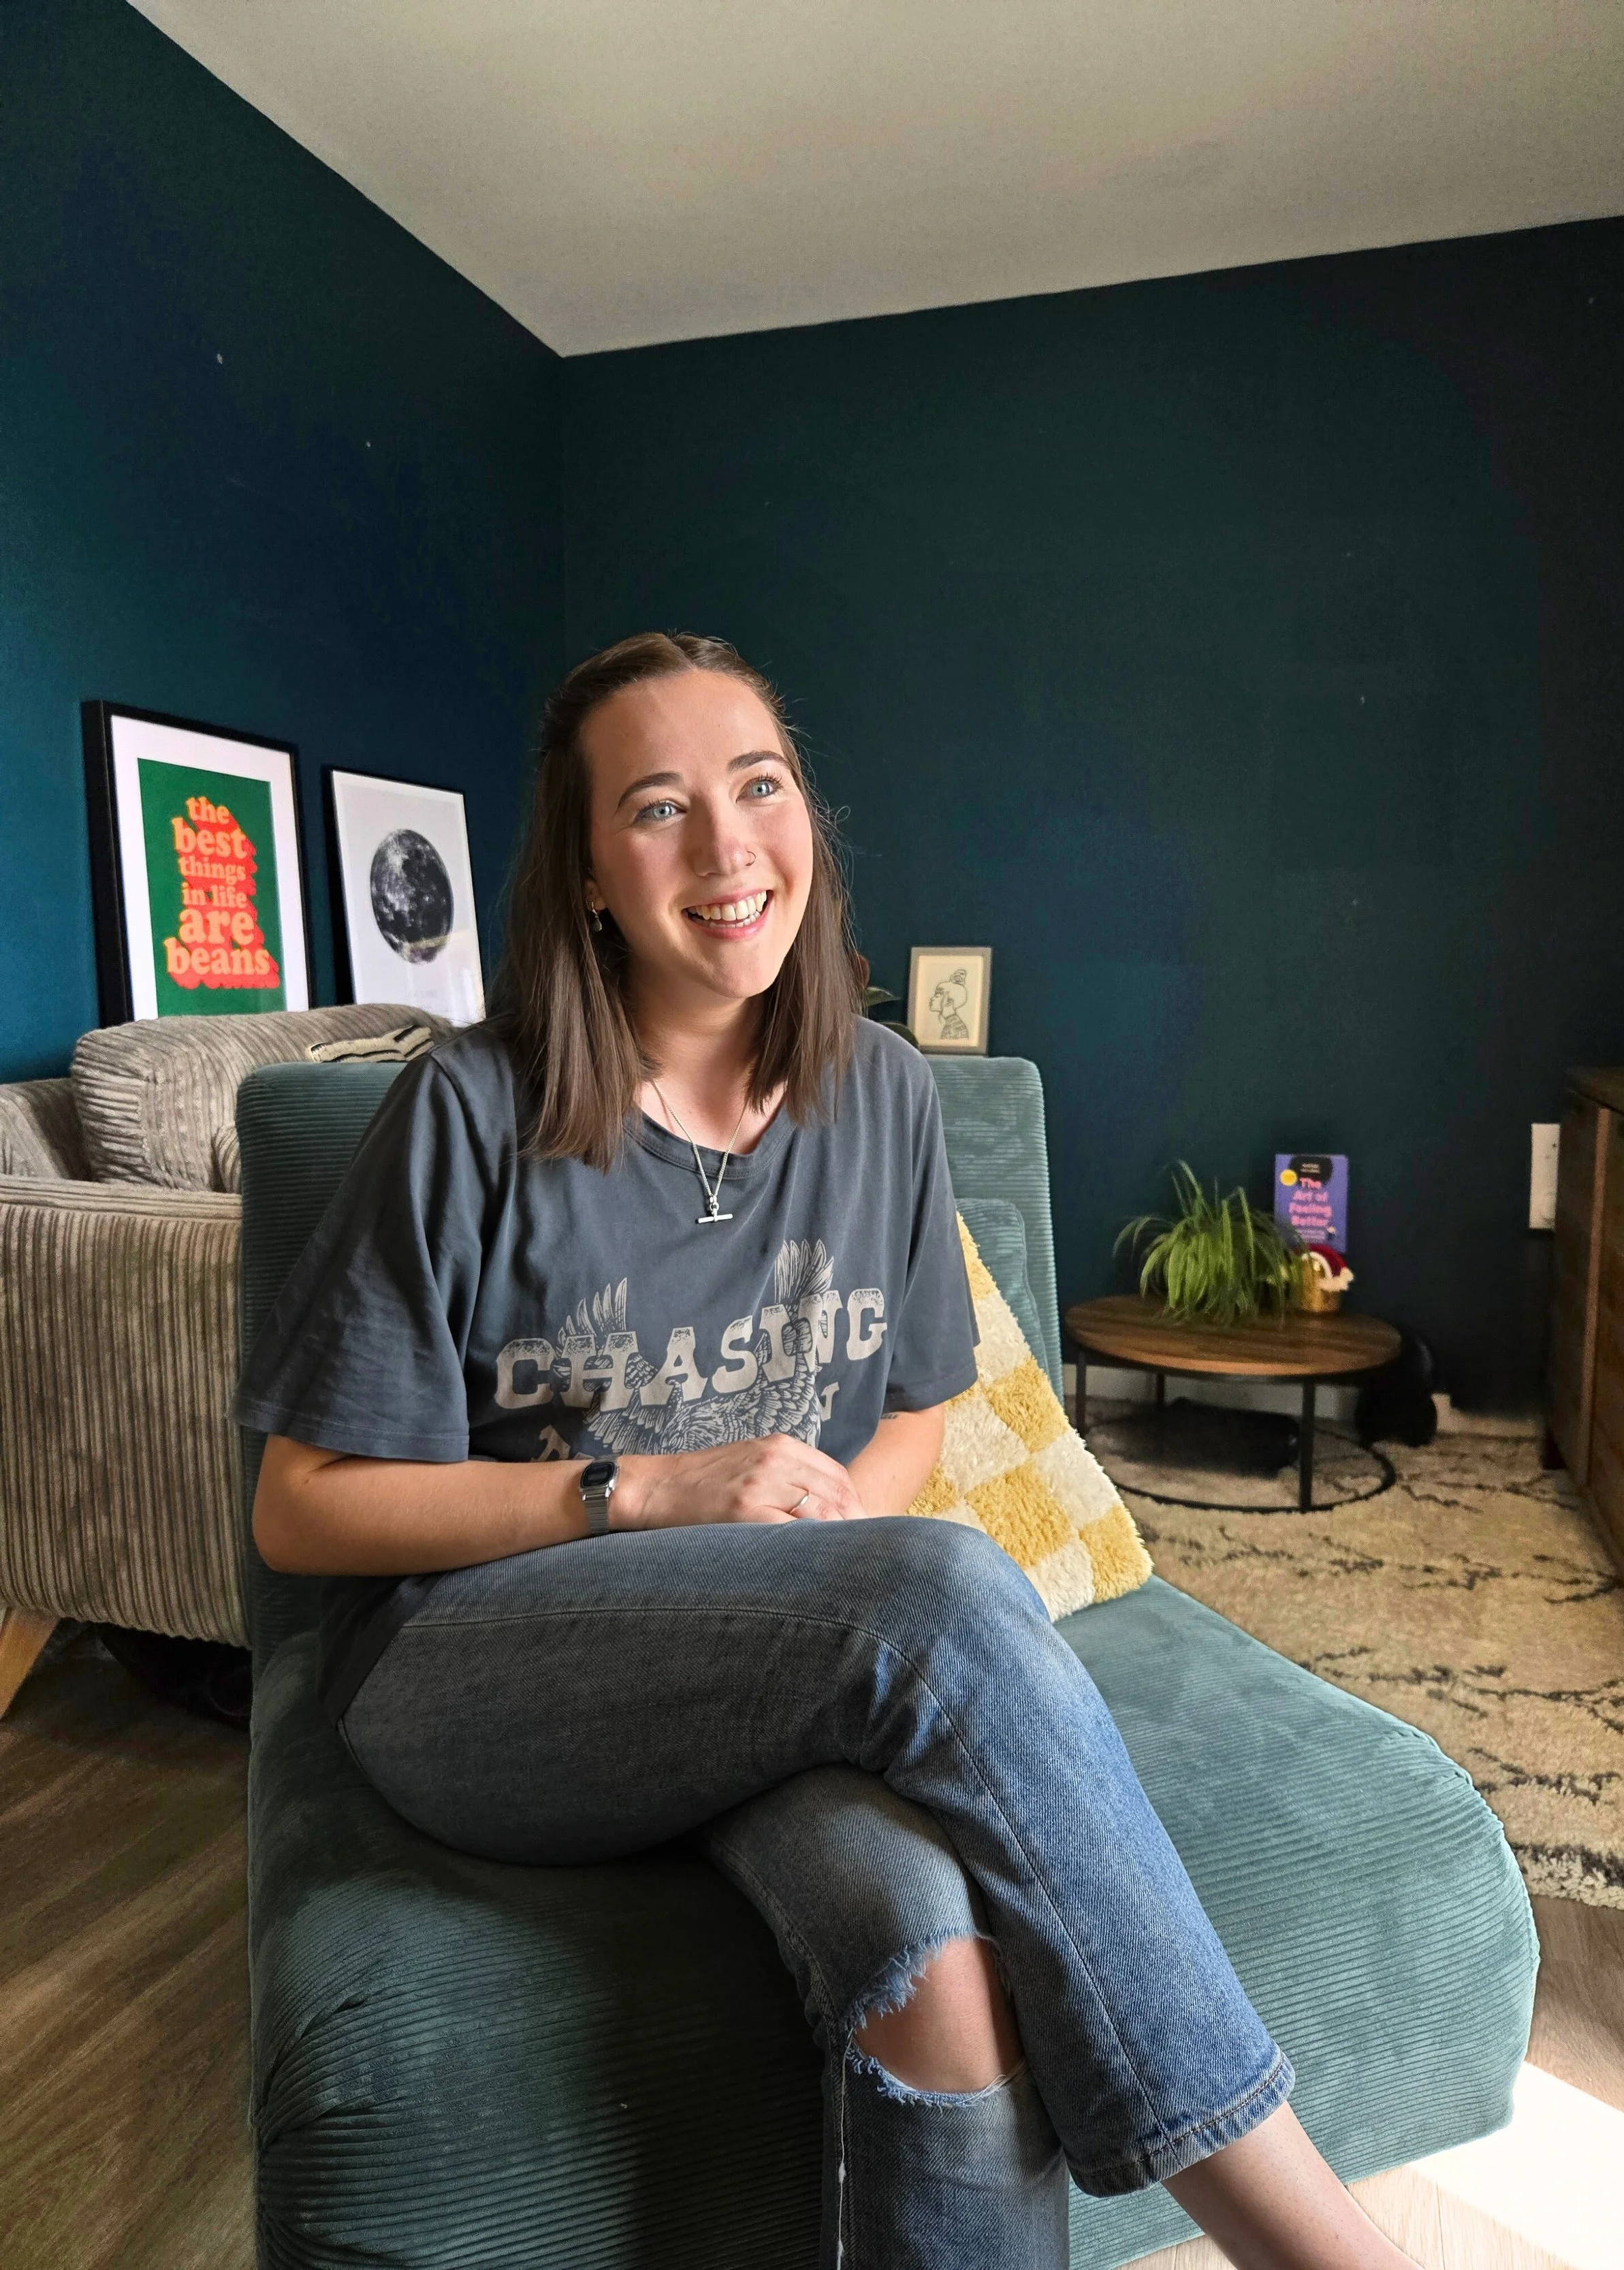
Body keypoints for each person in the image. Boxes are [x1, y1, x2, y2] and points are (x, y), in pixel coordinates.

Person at [239, 632, 1416, 2270]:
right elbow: (301, 1510)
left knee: (931, 1961)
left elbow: (919, 1400)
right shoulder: (465, 1111)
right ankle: (1325, 2246)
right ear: (586, 874)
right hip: (476, 1666)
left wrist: (828, 1551)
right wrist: (637, 1490)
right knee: (932, 1593)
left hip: (772, 1662)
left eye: (760, 786)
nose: (727, 848)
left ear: (807, 824)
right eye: (658, 809)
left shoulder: (882, 1100)